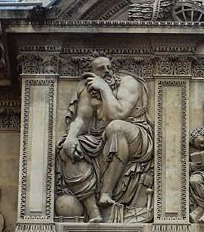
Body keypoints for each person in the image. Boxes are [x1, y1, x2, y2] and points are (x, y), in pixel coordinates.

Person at [59, 55, 153, 222]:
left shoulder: (127, 83)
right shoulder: (88, 90)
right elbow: (81, 119)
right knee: (66, 148)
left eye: (109, 67)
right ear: (92, 73)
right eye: (101, 69)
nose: (107, 72)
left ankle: (106, 193)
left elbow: (117, 114)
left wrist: (104, 89)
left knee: (116, 127)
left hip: (135, 136)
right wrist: (71, 138)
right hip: (100, 138)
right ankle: (94, 212)